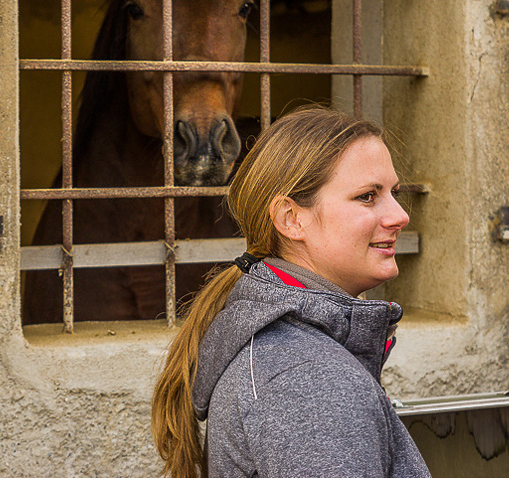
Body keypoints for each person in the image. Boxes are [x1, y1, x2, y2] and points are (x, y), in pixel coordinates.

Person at [151, 106, 430, 477]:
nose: (399, 215)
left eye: (393, 193)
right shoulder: (309, 382)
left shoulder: (292, 358)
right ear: (291, 219)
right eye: (367, 196)